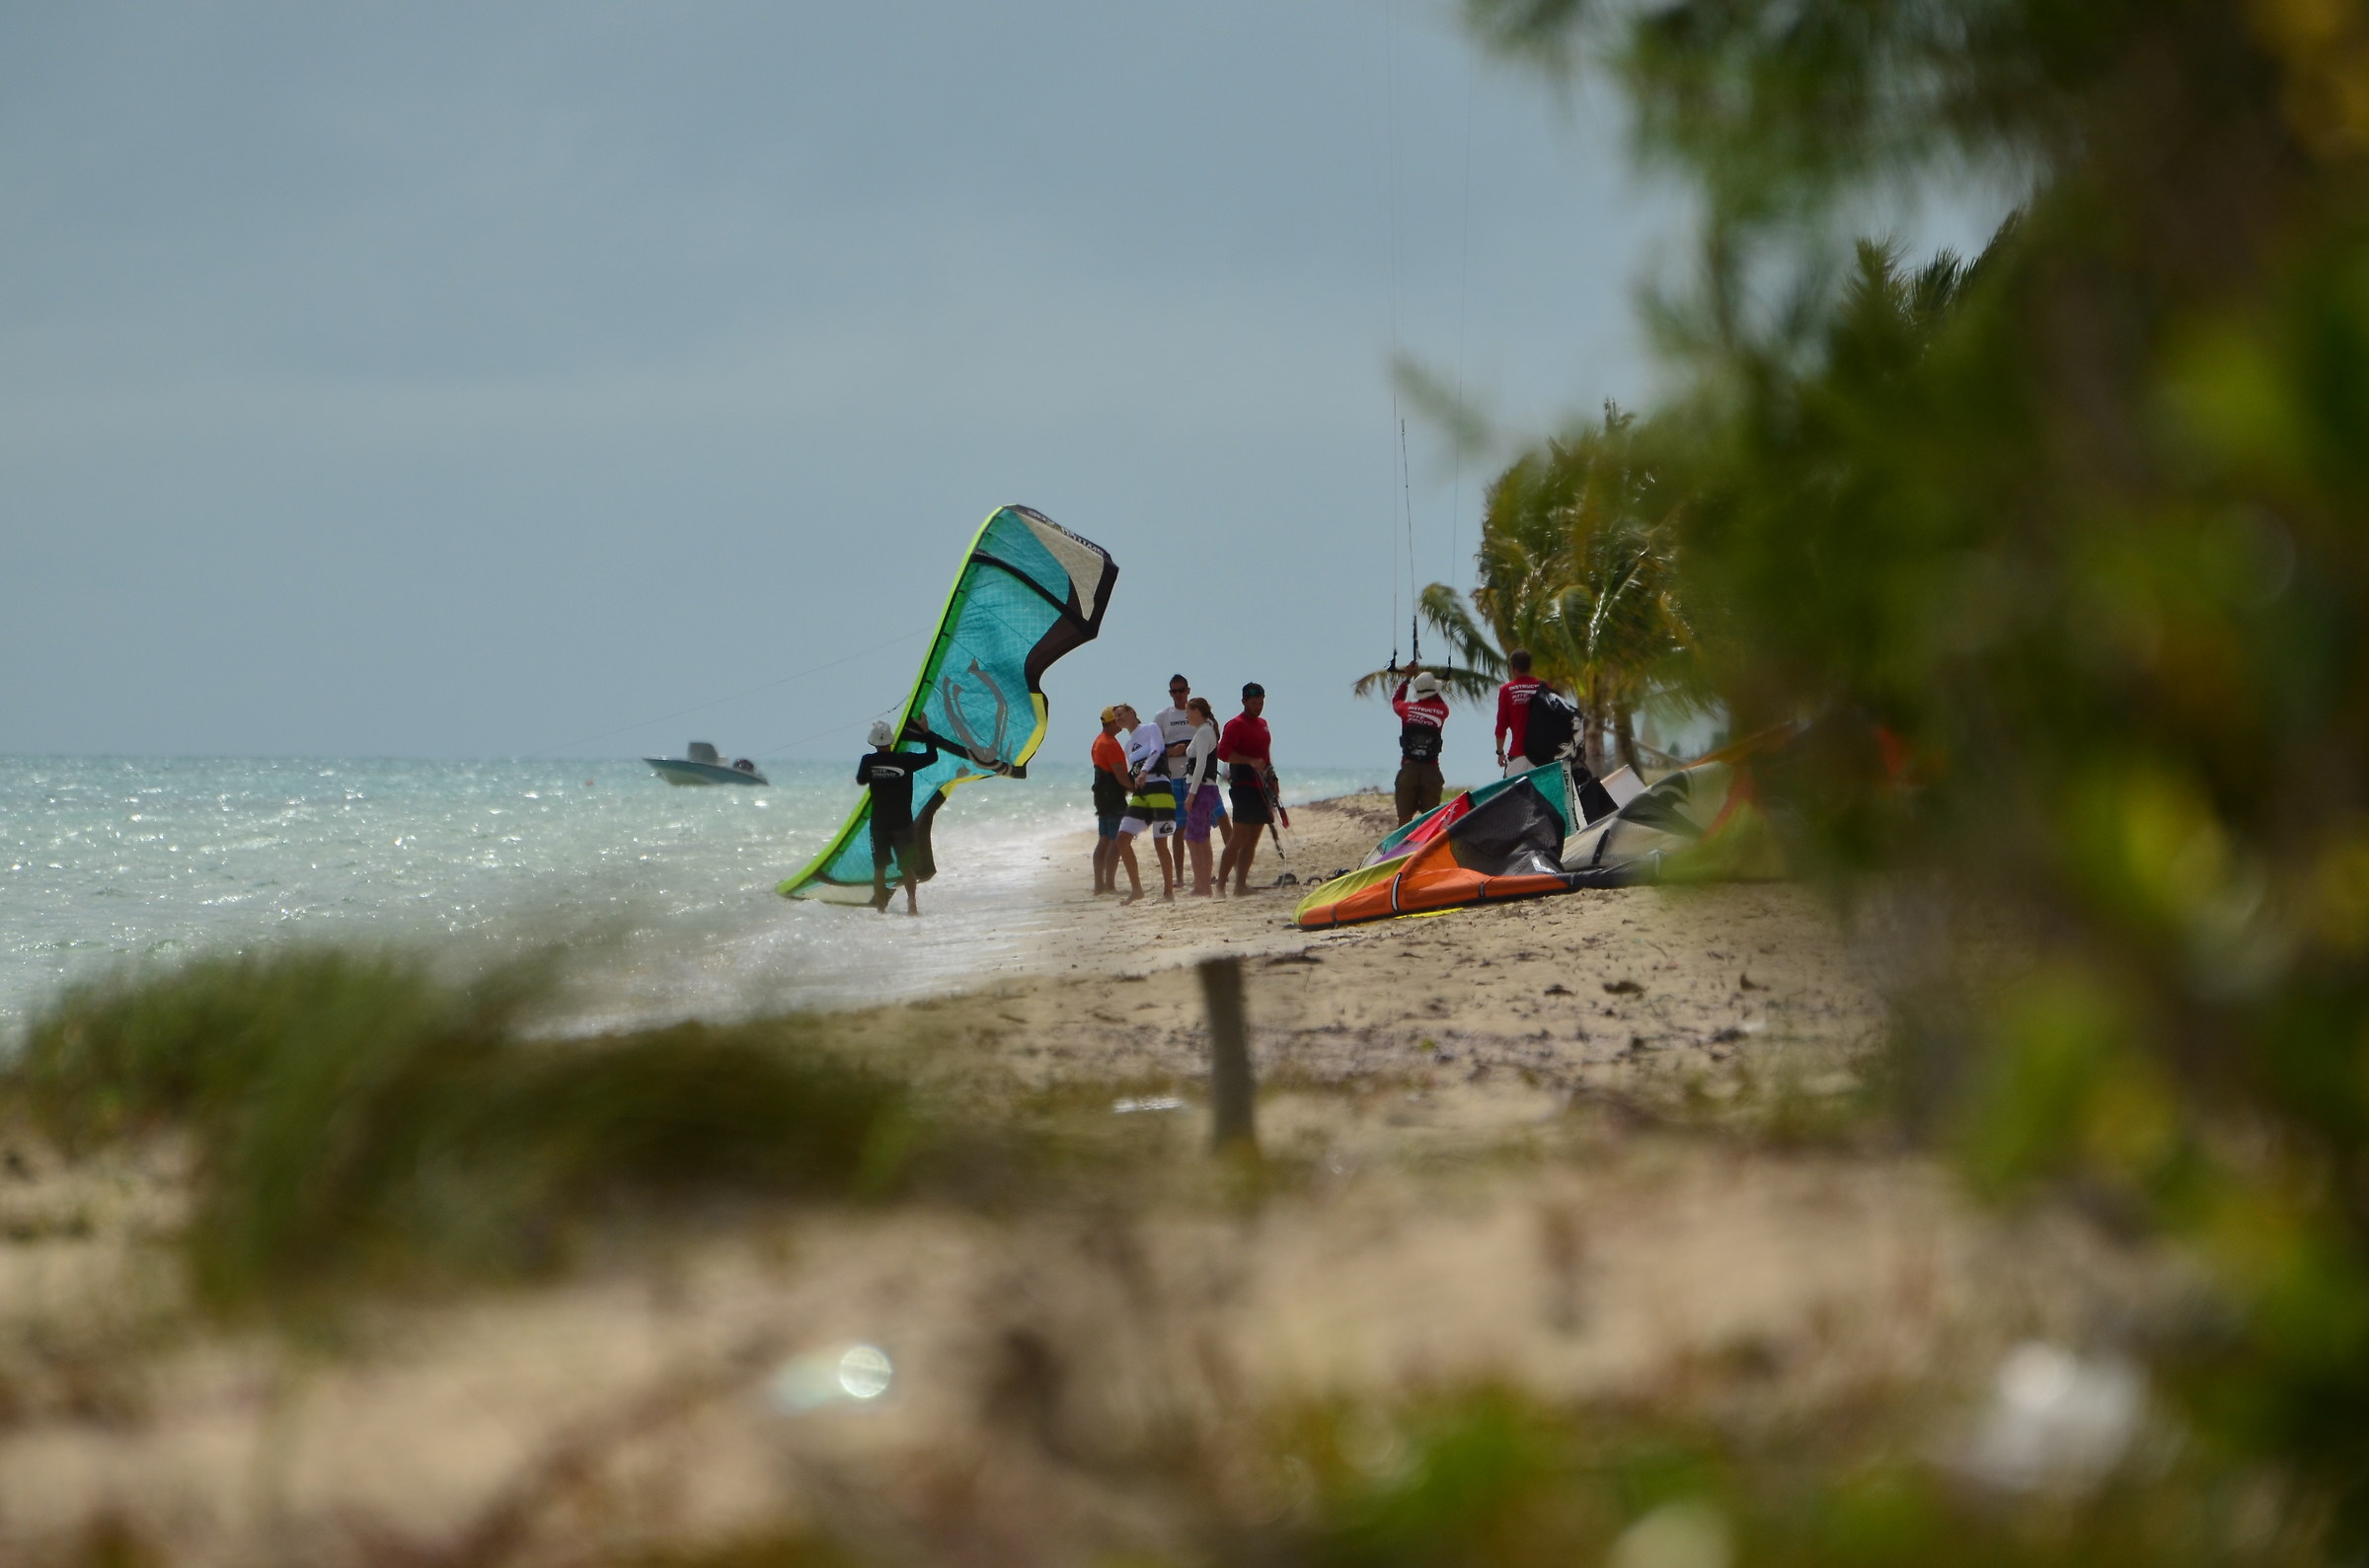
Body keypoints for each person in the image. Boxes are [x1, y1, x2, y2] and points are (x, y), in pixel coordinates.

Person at [857, 717, 940, 915]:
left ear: (873, 743)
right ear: (891, 741)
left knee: (879, 869)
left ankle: (881, 909)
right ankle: (912, 902)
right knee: (906, 866)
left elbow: (861, 780)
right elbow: (932, 757)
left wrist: (877, 774)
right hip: (903, 824)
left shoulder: (868, 761)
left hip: (879, 824)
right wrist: (926, 732)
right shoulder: (906, 760)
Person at [1216, 683, 1275, 895]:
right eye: (1254, 703)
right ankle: (1221, 886)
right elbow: (1223, 753)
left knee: (1253, 839)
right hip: (1243, 788)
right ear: (1244, 701)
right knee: (1238, 838)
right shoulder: (1235, 725)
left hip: (1262, 788)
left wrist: (1273, 781)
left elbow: (1266, 757)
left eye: (1260, 703)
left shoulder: (1263, 724)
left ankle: (1240, 885)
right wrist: (1249, 761)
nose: (1258, 707)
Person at [1116, 703, 1176, 902]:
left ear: (1132, 712)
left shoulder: (1150, 728)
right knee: (1122, 838)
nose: (1118, 719)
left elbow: (1157, 750)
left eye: (1121, 714)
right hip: (1141, 793)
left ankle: (1168, 893)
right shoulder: (1128, 746)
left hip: (1160, 787)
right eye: (1115, 717)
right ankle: (1136, 890)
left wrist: (1143, 772)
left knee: (1160, 843)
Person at [1178, 696, 1225, 895]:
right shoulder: (1204, 731)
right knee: (1200, 837)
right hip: (1203, 787)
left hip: (1202, 788)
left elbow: (1201, 765)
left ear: (1197, 711)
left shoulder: (1205, 731)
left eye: (1188, 711)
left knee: (1195, 838)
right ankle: (1202, 884)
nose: (1186, 715)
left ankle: (1202, 885)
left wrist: (1192, 794)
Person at [1391, 669, 1450, 825]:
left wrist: (1407, 679)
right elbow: (1441, 703)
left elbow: (1396, 700)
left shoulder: (1406, 709)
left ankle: (1404, 841)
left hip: (1409, 769)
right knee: (1430, 821)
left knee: (1404, 819)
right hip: (1431, 770)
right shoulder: (1441, 711)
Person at [1091, 706, 1138, 897]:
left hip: (1101, 796)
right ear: (1112, 722)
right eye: (1117, 718)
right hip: (1113, 797)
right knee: (1116, 841)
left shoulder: (1099, 741)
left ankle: (1099, 885)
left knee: (1104, 839)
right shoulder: (1110, 744)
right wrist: (1136, 789)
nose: (1120, 721)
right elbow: (1120, 775)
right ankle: (1109, 885)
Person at [1494, 649, 1545, 777]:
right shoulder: (1544, 687)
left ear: (1512, 667)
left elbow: (1501, 727)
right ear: (1529, 667)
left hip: (1518, 754)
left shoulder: (1507, 690)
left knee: (1512, 789)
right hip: (1543, 756)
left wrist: (1500, 753)